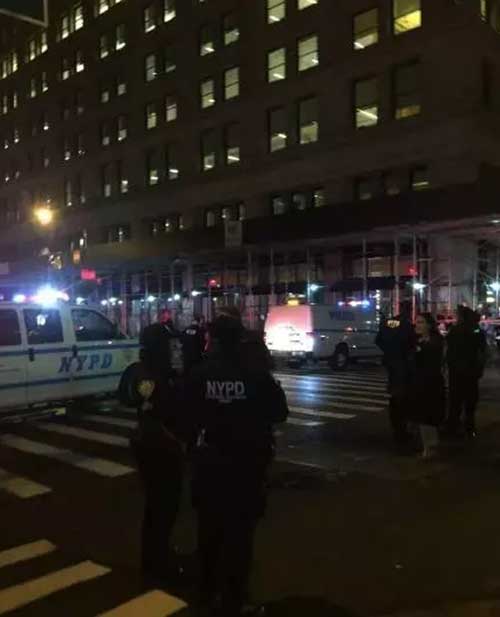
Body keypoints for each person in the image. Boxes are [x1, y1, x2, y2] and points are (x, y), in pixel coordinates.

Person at [185, 315, 289, 617]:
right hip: (246, 463)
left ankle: (205, 592)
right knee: (240, 536)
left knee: (208, 531)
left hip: (210, 462)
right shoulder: (255, 374)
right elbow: (279, 412)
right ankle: (234, 599)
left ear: (214, 340)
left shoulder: (199, 373)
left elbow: (184, 413)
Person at [130, 319, 187, 585]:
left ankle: (155, 556)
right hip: (159, 446)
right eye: (171, 345)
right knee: (163, 506)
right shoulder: (154, 375)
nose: (177, 350)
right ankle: (157, 562)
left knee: (159, 506)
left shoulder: (148, 370)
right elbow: (160, 407)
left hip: (153, 443)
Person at [376, 312, 416, 451]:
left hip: (391, 363)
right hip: (403, 365)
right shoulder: (407, 326)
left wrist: (389, 352)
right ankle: (402, 432)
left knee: (395, 397)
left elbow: (378, 340)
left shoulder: (387, 324)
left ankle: (397, 429)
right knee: (402, 399)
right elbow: (411, 343)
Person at [445, 306, 487, 437]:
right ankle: (469, 427)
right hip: (470, 371)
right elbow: (482, 350)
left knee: (455, 401)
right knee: (470, 402)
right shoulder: (475, 330)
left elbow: (449, 349)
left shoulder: (456, 330)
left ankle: (453, 427)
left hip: (457, 371)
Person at [408, 313, 445, 459]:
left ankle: (430, 448)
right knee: (422, 416)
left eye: (421, 322)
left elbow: (433, 363)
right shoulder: (418, 341)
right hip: (419, 383)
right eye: (416, 322)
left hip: (430, 383)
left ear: (429, 325)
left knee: (428, 416)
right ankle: (428, 447)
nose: (417, 325)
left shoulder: (435, 342)